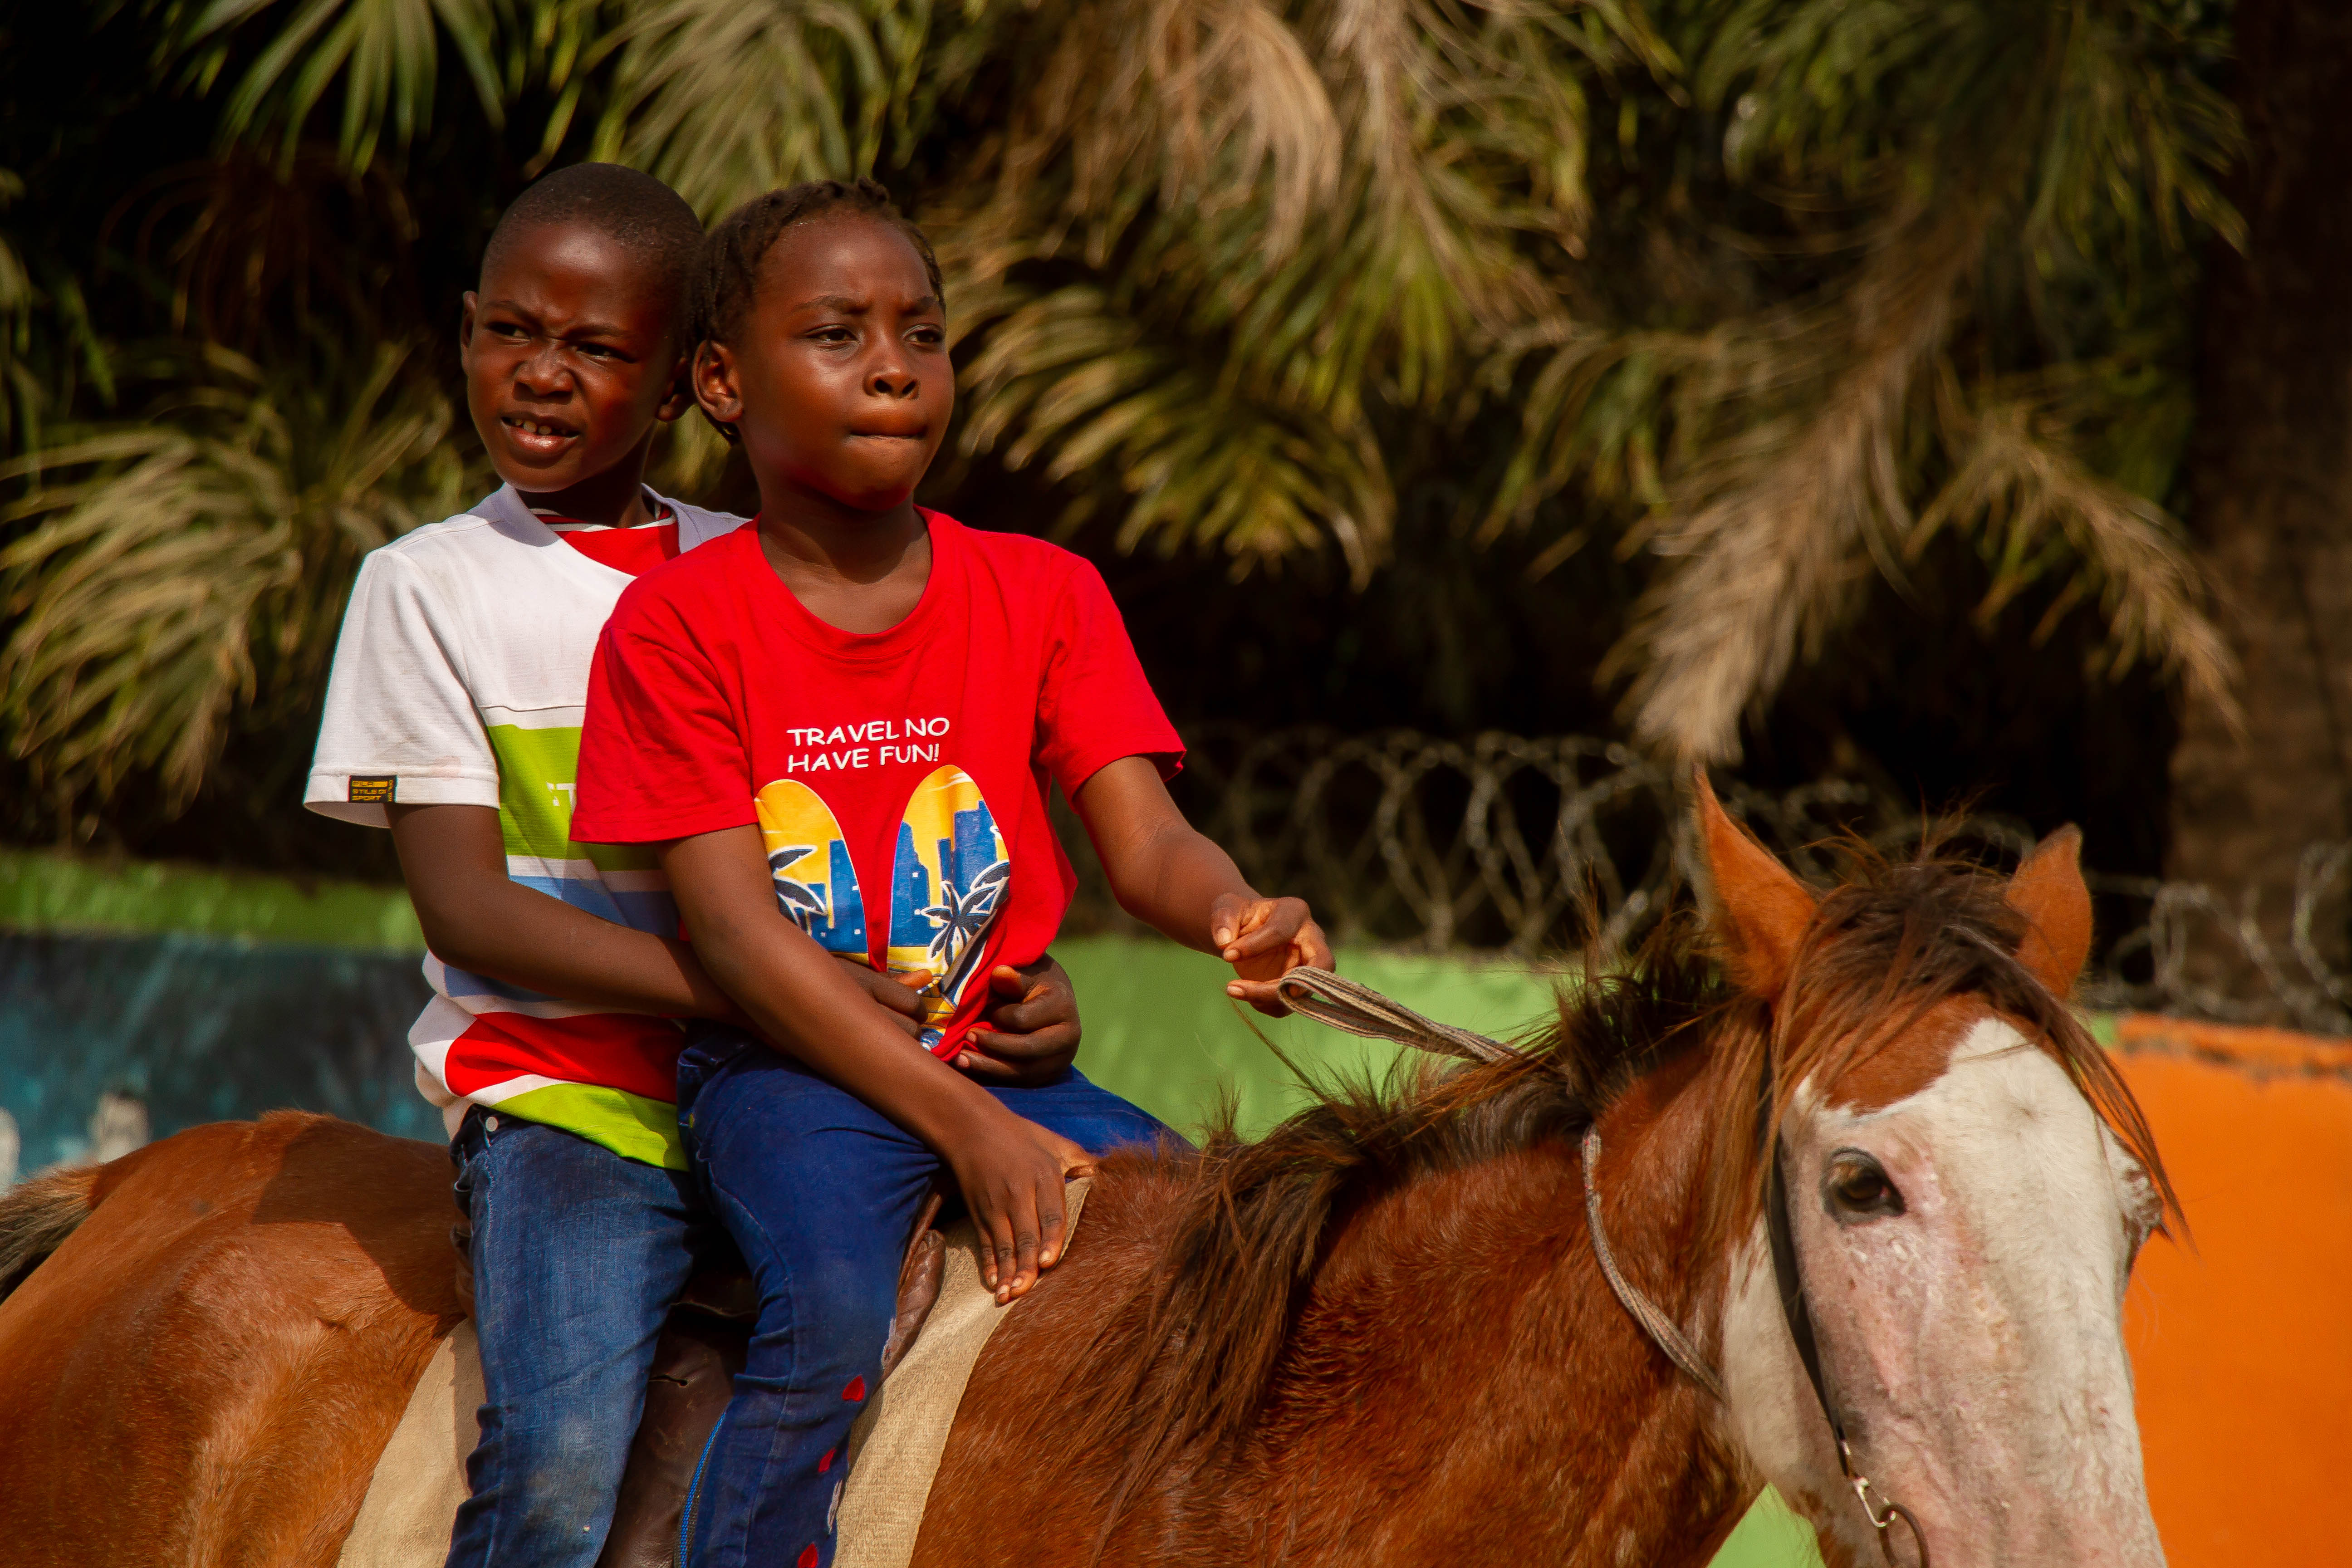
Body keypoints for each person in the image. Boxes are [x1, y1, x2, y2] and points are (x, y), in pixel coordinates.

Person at [304, 163, 1085, 1568]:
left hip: (805, 1071)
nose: (542, 377)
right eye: (510, 333)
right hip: (578, 1096)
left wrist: (1003, 985)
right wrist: (764, 985)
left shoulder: (765, 560)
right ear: (465, 328)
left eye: (596, 349)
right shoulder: (426, 587)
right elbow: (471, 910)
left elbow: (907, 824)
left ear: (679, 387)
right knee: (558, 1462)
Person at [567, 178, 1331, 1568]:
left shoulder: (1043, 591)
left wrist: (1237, 911)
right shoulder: (678, 626)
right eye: (838, 333)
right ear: (726, 383)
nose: (894, 366)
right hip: (792, 1080)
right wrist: (964, 1128)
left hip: (1013, 1071)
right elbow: (737, 946)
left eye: (923, 332)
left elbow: (1147, 839)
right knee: (835, 1314)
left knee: (1232, 1263)